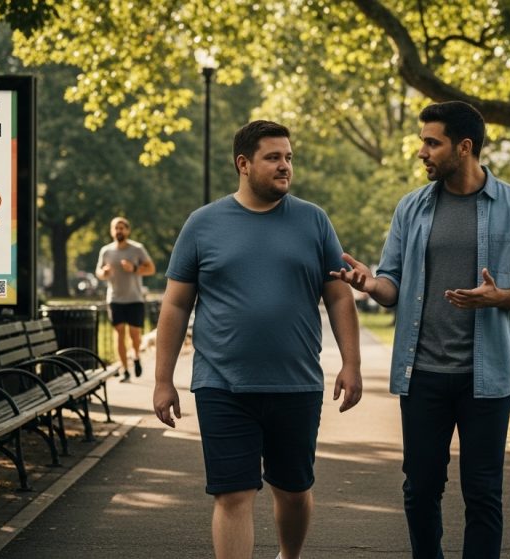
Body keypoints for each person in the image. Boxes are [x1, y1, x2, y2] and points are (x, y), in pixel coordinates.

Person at [331, 101, 510, 558]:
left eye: (432, 143)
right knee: (420, 489)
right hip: (424, 374)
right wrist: (370, 284)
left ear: (464, 147)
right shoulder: (411, 208)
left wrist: (502, 297)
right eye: (422, 142)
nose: (422, 152)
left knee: (484, 494)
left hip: (487, 378)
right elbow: (391, 282)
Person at [152, 120, 362, 559]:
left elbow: (340, 297)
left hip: (296, 383)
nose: (285, 166)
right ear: (243, 164)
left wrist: (351, 364)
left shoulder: (313, 220)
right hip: (222, 384)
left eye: (288, 157)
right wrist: (163, 379)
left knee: (293, 491)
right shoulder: (202, 224)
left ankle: (289, 555)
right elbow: (174, 306)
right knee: (232, 495)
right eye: (274, 157)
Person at [95, 217, 155, 381]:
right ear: (111, 231)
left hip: (135, 298)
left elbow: (151, 269)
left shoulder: (137, 249)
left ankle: (136, 356)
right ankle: (124, 370)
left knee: (135, 334)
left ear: (127, 230)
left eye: (122, 228)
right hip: (115, 298)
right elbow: (99, 273)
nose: (119, 231)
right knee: (119, 332)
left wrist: (134, 268)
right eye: (116, 228)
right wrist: (104, 272)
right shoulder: (106, 251)